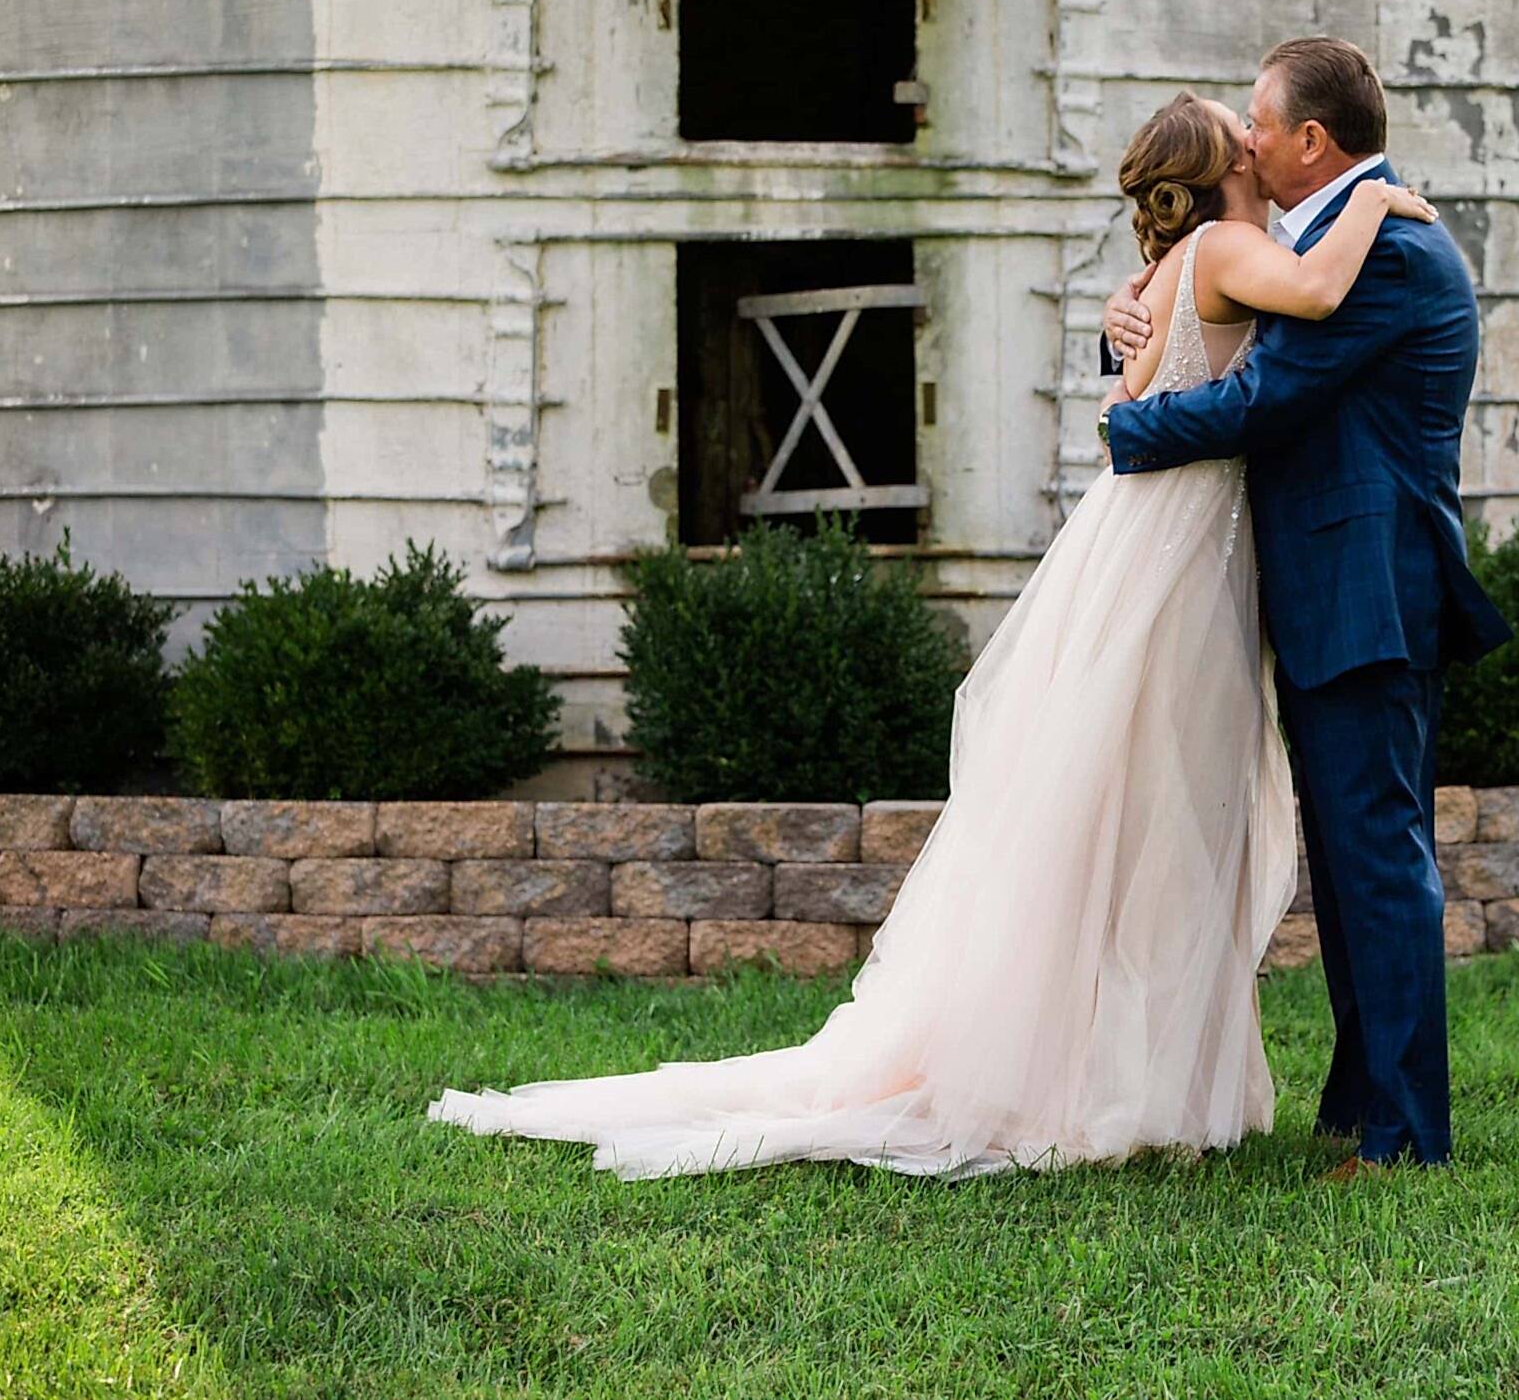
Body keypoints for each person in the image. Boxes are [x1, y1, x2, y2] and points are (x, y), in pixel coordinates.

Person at [424, 83, 1440, 1182]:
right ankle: (1115, 1079)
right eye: (1238, 122)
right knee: (1153, 810)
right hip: (1178, 555)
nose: (1252, 130)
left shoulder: (1183, 263)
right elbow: (1300, 306)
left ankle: (1136, 1070)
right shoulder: (1249, 250)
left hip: (1163, 547)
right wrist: (1380, 202)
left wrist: (1132, 344)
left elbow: (1200, 350)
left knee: (1134, 807)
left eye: (1260, 113)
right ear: (1224, 162)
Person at [1100, 35, 1512, 1173]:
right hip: (1334, 589)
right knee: (1351, 854)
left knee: (1377, 857)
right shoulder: (1318, 234)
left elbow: (1265, 394)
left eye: (1259, 121)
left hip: (1368, 591)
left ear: (1311, 142)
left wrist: (1119, 426)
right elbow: (1222, 302)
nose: (1246, 134)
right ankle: (1356, 1099)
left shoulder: (1384, 249)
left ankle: (1403, 1137)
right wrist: (1123, 313)